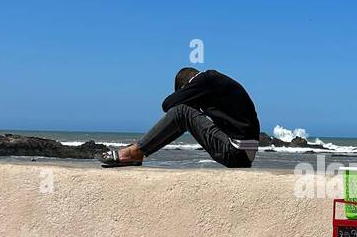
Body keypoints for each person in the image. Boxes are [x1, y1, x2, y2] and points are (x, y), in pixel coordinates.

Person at [101, 66, 261, 169]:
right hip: (244, 153)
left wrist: (186, 98)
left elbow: (168, 105)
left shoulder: (204, 80)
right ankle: (140, 150)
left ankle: (137, 151)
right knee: (184, 114)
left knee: (181, 112)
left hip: (236, 151)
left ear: (186, 86)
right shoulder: (214, 84)